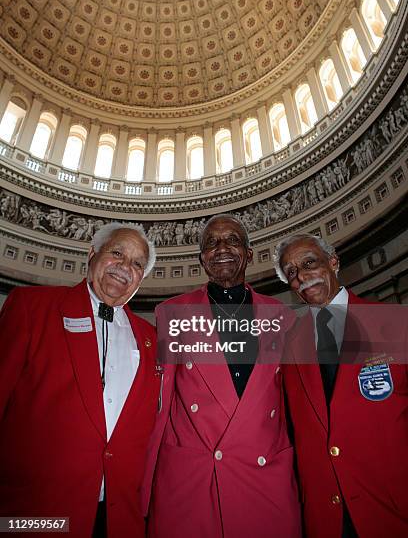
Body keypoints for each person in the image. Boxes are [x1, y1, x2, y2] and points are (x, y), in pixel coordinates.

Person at [142, 214, 301, 538]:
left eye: (232, 240)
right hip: (191, 481)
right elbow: (160, 407)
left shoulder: (282, 317)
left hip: (264, 476)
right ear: (202, 259)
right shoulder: (172, 313)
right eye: (211, 243)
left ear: (249, 253)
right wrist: (143, 489)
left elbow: (292, 407)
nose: (222, 248)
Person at [0, 222, 161, 538]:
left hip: (119, 520)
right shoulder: (32, 307)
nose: (125, 267)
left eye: (137, 263)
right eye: (117, 253)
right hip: (36, 518)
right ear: (92, 254)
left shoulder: (151, 339)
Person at [274, 233, 408, 538]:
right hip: (325, 518)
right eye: (292, 273)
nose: (302, 277)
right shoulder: (287, 346)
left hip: (393, 511)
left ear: (333, 262)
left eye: (309, 263)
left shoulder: (396, 322)